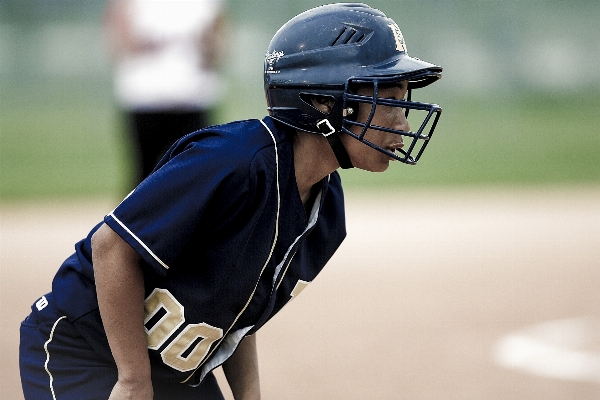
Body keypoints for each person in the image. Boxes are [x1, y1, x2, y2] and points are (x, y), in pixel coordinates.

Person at [19, 3, 443, 399]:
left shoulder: (326, 212)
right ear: (321, 102)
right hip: (82, 350)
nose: (402, 120)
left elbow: (237, 310)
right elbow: (111, 247)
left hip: (175, 372)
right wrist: (133, 381)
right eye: (386, 99)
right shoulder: (233, 161)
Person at [103, 0, 227, 186]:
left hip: (192, 96)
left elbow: (218, 39)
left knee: (198, 174)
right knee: (144, 175)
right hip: (145, 97)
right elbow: (119, 38)